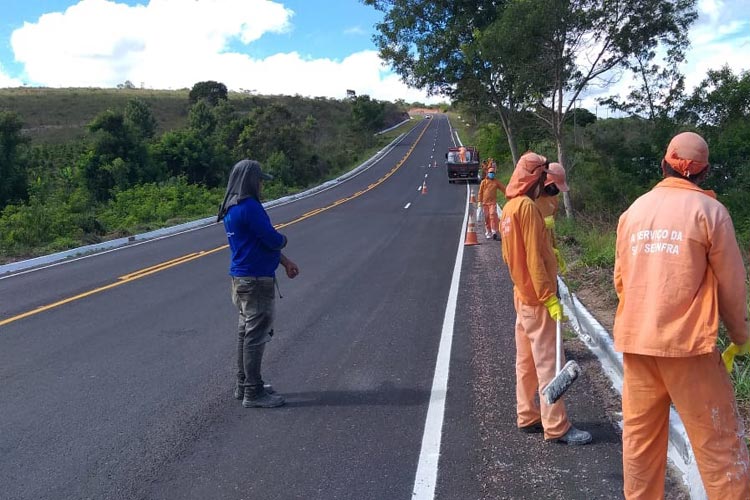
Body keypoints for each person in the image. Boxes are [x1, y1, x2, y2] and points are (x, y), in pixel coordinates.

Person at [614, 132, 750, 499]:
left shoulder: (634, 211)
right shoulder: (711, 213)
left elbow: (621, 281)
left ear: (664, 162)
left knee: (640, 446)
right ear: (703, 172)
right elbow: (732, 288)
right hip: (689, 348)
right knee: (720, 448)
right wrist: (740, 337)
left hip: (638, 345)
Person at [500, 152, 592, 445]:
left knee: (525, 361)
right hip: (537, 301)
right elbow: (532, 260)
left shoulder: (510, 207)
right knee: (550, 363)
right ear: (538, 178)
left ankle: (527, 415)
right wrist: (547, 296)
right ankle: (556, 427)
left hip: (523, 296)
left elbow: (515, 258)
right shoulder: (526, 207)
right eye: (544, 180)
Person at [217, 159, 300, 409]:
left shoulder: (230, 207)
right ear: (251, 180)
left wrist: (284, 262)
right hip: (255, 281)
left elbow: (258, 243)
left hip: (241, 278)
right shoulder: (251, 207)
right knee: (256, 335)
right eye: (260, 180)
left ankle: (243, 384)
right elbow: (272, 239)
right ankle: (253, 392)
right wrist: (283, 240)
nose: (262, 184)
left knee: (245, 332)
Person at [534, 162, 569, 274]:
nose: (555, 191)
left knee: (552, 285)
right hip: (533, 252)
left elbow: (551, 231)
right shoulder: (530, 198)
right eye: (554, 187)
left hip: (548, 251)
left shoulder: (553, 200)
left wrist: (556, 252)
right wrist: (541, 224)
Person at [477, 165, 506, 240]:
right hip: (484, 203)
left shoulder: (496, 182)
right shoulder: (484, 182)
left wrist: (509, 194)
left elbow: (503, 189)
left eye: (493, 173)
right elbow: (480, 192)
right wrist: (479, 202)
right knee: (486, 217)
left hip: (492, 203)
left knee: (493, 215)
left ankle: (494, 231)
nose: (492, 174)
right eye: (490, 172)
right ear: (488, 173)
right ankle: (488, 231)